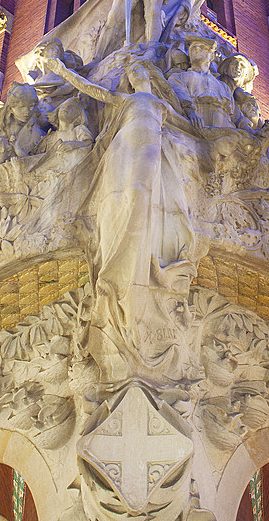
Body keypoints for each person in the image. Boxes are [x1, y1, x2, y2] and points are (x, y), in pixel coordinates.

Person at [40, 42, 198, 382]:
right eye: (131, 73)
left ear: (151, 79)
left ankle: (134, 275)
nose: (135, 74)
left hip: (151, 143)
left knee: (142, 201)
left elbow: (189, 127)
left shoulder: (160, 104)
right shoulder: (125, 100)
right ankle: (116, 274)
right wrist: (64, 72)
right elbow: (92, 89)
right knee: (120, 203)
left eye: (139, 71)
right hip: (124, 144)